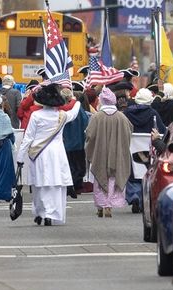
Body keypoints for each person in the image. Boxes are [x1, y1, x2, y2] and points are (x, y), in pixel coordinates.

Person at [15, 83, 82, 226]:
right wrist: (76, 100)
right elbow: (74, 113)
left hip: (39, 154)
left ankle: (41, 212)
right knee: (56, 185)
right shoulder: (62, 116)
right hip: (57, 153)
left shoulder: (36, 115)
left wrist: (20, 158)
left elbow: (28, 138)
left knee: (40, 184)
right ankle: (52, 214)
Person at [84, 88, 133, 218]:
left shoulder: (96, 117)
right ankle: (110, 205)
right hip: (117, 153)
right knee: (113, 178)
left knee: (99, 179)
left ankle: (101, 206)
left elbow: (89, 135)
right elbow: (129, 132)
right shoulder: (122, 117)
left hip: (99, 153)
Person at [122, 88, 164, 213]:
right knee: (147, 172)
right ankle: (142, 199)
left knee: (132, 173)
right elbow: (161, 130)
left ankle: (134, 196)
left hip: (131, 149)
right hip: (149, 150)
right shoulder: (153, 114)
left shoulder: (126, 113)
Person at [61, 88, 90, 200]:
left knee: (68, 165)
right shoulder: (78, 110)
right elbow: (85, 123)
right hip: (78, 141)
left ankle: (69, 184)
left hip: (65, 142)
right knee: (78, 166)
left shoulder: (60, 110)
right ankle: (75, 185)